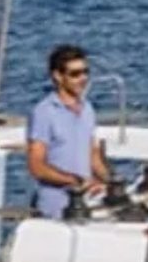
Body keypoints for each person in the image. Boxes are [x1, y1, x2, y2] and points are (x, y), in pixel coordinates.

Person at [27, 44, 111, 219]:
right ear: (58, 76)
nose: (83, 78)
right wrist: (75, 180)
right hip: (55, 207)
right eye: (75, 74)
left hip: (85, 204)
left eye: (85, 72)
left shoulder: (87, 109)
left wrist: (109, 181)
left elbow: (93, 155)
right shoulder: (44, 112)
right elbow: (37, 166)